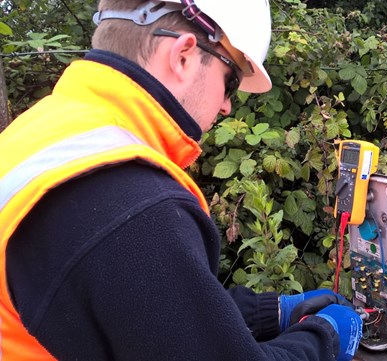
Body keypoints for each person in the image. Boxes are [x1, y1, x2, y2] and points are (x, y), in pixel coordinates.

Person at [0, 0, 362, 360]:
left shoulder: (41, 134)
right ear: (184, 55)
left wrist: (265, 315)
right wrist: (324, 340)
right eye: (231, 80)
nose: (226, 106)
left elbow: (134, 315)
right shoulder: (134, 206)